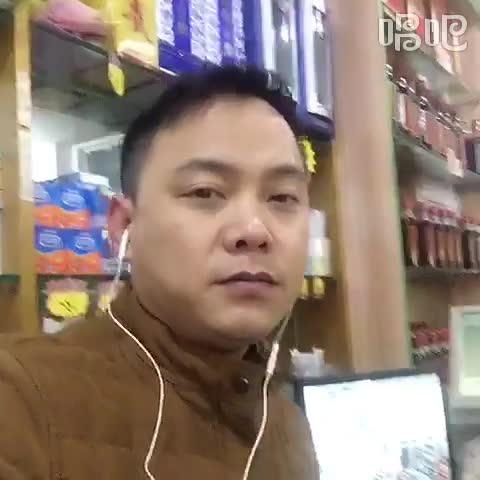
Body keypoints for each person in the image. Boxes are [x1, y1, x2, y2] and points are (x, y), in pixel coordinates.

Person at [0, 66, 318, 479]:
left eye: (282, 197)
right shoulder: (21, 399)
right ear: (124, 226)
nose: (254, 231)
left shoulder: (287, 427)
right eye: (205, 192)